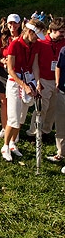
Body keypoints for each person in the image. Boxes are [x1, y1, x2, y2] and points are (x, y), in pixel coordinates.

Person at [1, 18, 46, 161]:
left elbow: (35, 66)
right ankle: (5, 146)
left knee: (21, 117)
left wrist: (37, 82)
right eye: (36, 36)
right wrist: (24, 85)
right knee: (13, 118)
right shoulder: (14, 44)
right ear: (30, 32)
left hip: (28, 82)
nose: (37, 40)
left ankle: (13, 143)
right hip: (15, 83)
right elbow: (10, 70)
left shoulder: (35, 45)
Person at [28, 17, 65, 143]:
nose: (63, 34)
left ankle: (46, 131)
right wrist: (38, 80)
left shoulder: (63, 43)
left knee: (53, 109)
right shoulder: (41, 42)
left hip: (58, 81)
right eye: (61, 31)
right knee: (41, 108)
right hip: (44, 79)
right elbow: (35, 63)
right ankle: (33, 132)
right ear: (53, 30)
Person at [0, 14, 22, 140]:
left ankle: (14, 131)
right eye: (10, 23)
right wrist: (3, 61)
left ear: (20, 24)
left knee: (15, 103)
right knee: (3, 101)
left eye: (15, 23)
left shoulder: (22, 39)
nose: (12, 26)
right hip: (3, 73)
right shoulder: (4, 38)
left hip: (16, 74)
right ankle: (4, 128)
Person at [52, 45, 65, 173]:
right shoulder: (64, 50)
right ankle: (61, 153)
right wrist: (57, 82)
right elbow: (58, 66)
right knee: (60, 125)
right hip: (62, 91)